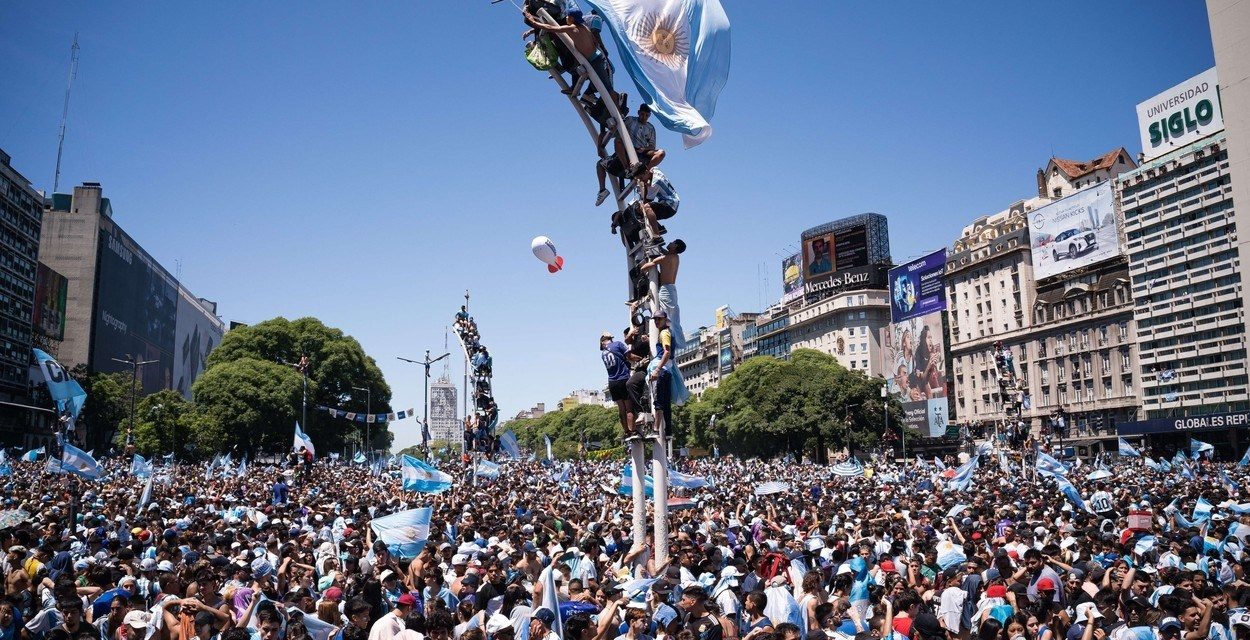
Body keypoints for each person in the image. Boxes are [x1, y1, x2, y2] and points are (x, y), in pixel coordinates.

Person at [639, 240, 687, 349]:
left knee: (667, 318)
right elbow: (666, 253)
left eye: (673, 242)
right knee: (674, 318)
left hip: (666, 290)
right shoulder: (675, 257)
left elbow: (645, 267)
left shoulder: (664, 259)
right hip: (672, 289)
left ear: (675, 246)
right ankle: (678, 342)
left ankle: (673, 342)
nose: (670, 242)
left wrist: (643, 263)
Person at [601, 331, 637, 438]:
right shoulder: (618, 344)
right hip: (623, 379)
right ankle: (633, 431)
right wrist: (640, 358)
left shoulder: (603, 353)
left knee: (621, 409)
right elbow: (630, 356)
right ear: (611, 338)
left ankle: (626, 432)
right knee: (629, 408)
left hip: (612, 382)